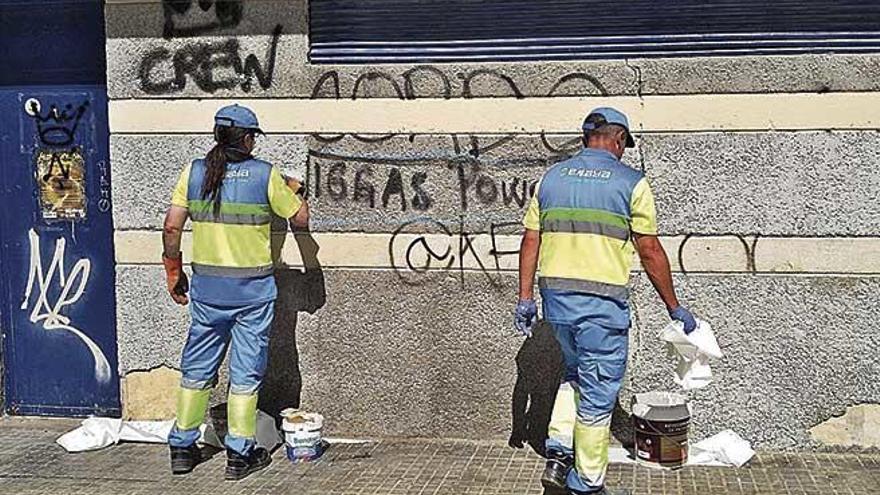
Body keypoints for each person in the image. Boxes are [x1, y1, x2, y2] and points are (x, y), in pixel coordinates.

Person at [515, 107, 697, 495]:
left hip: (557, 306)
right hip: (601, 307)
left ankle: (560, 452)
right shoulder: (631, 182)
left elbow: (531, 239)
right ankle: (589, 482)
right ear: (618, 140)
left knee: (575, 374)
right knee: (599, 393)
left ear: (585, 139)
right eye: (624, 145)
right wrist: (673, 307)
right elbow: (648, 250)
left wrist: (525, 298)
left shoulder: (551, 178)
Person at [162, 104, 309, 480]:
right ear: (247, 139)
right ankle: (240, 455)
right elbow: (300, 218)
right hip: (253, 295)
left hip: (208, 293)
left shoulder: (194, 173)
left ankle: (182, 447)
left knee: (196, 368)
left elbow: (172, 228)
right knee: (245, 374)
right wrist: (293, 190)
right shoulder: (264, 175)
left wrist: (174, 271)